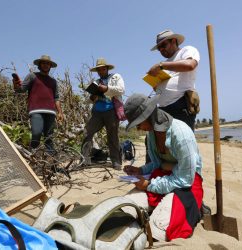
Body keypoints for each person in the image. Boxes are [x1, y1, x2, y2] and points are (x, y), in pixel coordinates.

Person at [122, 93, 204, 241]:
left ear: (149, 115)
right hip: (162, 178)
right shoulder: (151, 135)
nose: (139, 129)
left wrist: (148, 185)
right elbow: (157, 164)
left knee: (156, 231)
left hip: (186, 185)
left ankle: (195, 208)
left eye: (139, 124)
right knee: (124, 209)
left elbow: (185, 179)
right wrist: (141, 170)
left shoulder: (181, 134)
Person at [148, 29, 200, 131]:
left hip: (180, 106)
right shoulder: (166, 63)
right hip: (163, 109)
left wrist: (161, 66)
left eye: (163, 45)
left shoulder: (186, 50)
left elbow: (190, 65)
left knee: (183, 143)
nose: (161, 50)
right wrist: (156, 86)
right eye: (159, 48)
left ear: (173, 41)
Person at [13, 55, 64, 152]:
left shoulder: (53, 81)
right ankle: (32, 156)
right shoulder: (32, 76)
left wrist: (60, 112)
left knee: (49, 138)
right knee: (36, 133)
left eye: (48, 63)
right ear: (39, 65)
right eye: (43, 63)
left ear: (50, 66)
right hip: (36, 110)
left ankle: (53, 164)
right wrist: (15, 85)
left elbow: (56, 98)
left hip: (51, 112)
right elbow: (21, 89)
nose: (45, 65)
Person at [81, 58, 125, 170]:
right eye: (99, 70)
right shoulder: (95, 82)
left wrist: (107, 88)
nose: (101, 71)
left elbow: (121, 90)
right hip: (97, 112)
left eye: (103, 69)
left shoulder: (116, 77)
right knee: (87, 132)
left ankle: (116, 161)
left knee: (113, 136)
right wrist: (92, 97)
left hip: (111, 111)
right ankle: (84, 160)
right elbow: (89, 100)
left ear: (107, 69)